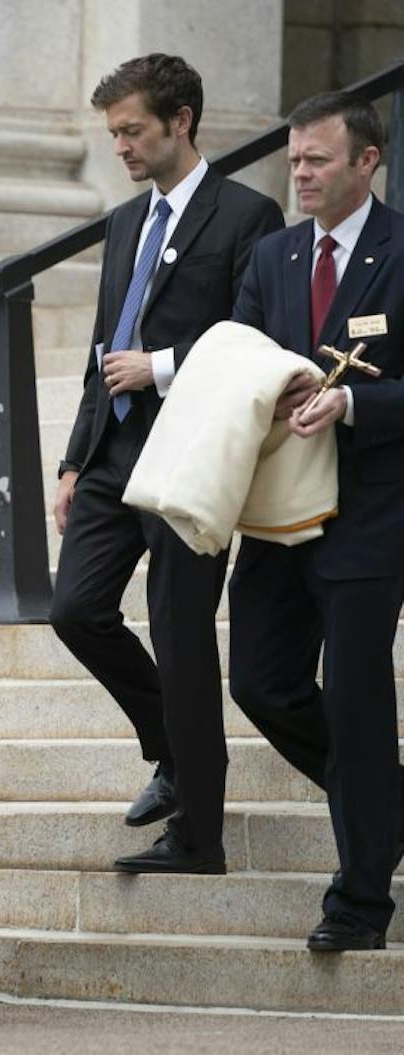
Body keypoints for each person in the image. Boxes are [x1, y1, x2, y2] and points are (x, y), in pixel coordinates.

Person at [49, 54, 283, 875]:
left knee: (183, 636)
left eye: (133, 130)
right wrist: (74, 461)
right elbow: (101, 346)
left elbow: (255, 339)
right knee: (75, 609)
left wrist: (163, 364)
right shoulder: (124, 222)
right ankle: (171, 750)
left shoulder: (249, 215)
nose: (121, 146)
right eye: (113, 132)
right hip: (113, 454)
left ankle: (200, 837)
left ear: (181, 121)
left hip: (189, 456)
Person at [229, 89, 404, 951]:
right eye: (293, 160)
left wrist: (354, 407)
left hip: (372, 513)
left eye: (318, 160)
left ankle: (360, 900)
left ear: (368, 162)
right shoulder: (271, 257)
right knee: (258, 680)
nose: (299, 174)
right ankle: (386, 803)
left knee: (363, 699)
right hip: (278, 510)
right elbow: (239, 358)